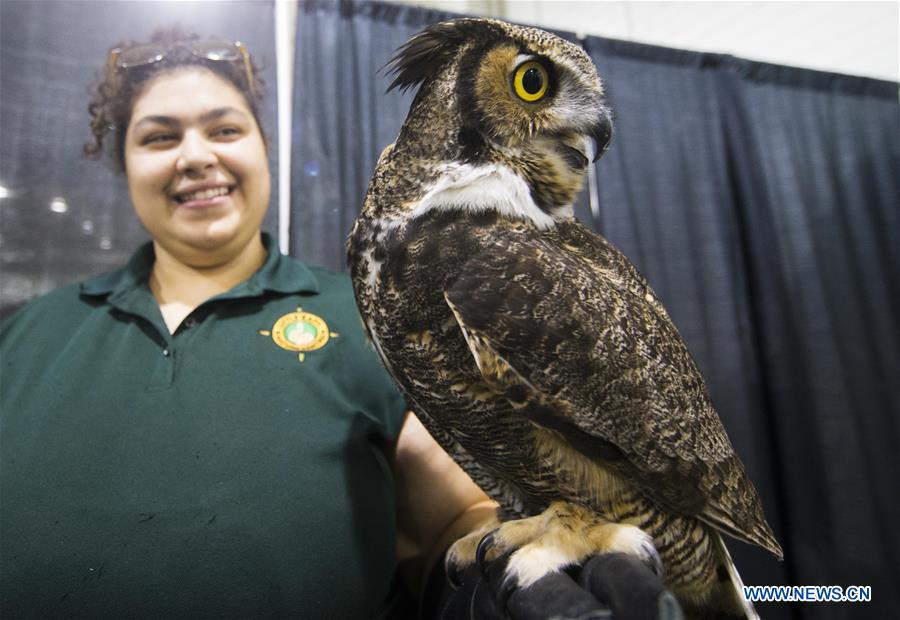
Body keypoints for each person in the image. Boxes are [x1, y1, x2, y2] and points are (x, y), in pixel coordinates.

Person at [0, 27, 677, 620]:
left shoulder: (372, 315)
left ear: (264, 149)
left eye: (225, 128)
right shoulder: (29, 334)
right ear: (124, 166)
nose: (196, 155)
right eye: (159, 136)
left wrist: (500, 575)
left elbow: (456, 514)